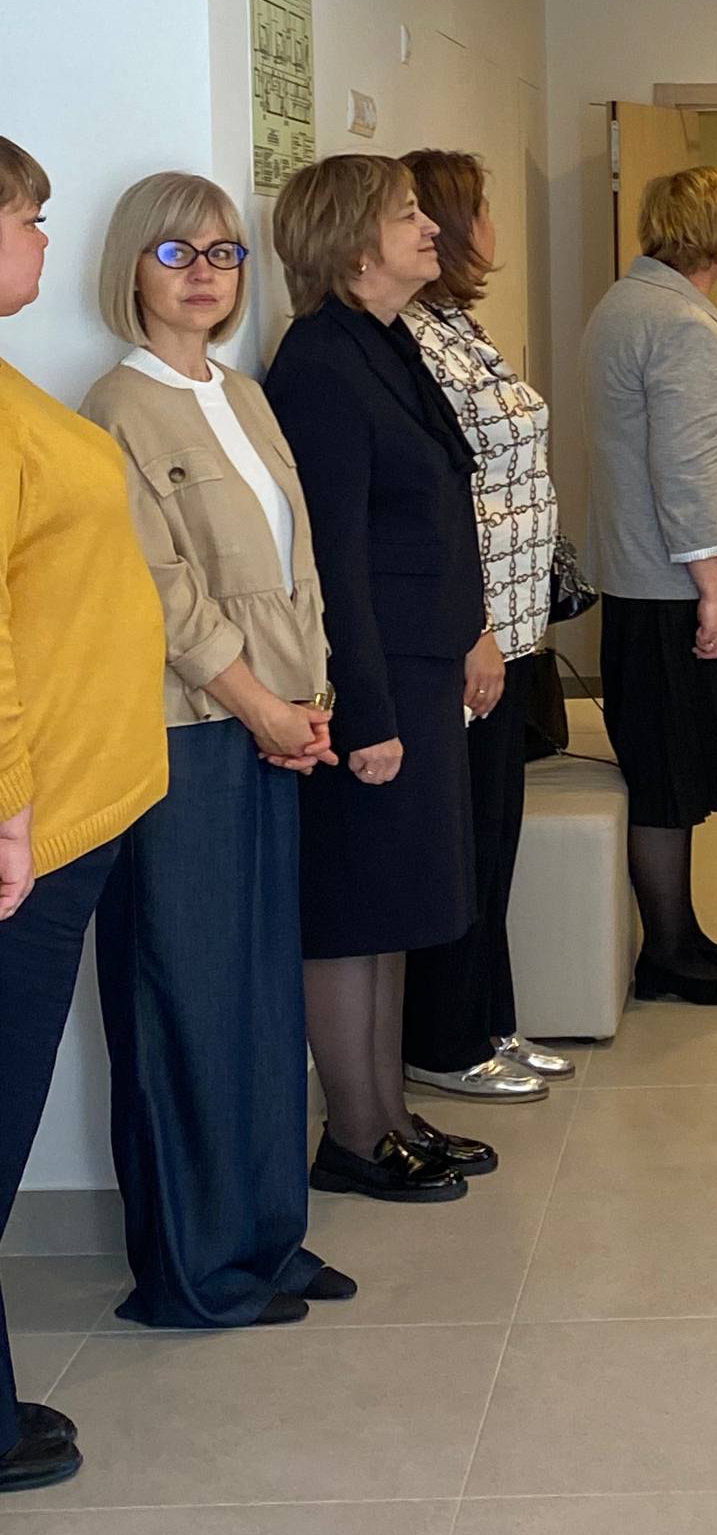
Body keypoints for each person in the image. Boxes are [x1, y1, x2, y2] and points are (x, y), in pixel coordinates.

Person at [83, 175, 354, 1326]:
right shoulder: (118, 407)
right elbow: (166, 597)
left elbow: (297, 566)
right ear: (131, 266)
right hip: (188, 736)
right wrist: (260, 706)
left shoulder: (242, 393)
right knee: (184, 996)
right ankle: (193, 1271)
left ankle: (266, 1237)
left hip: (273, 727)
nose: (204, 272)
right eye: (176, 251)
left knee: (257, 994)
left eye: (225, 252)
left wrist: (312, 701)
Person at [266, 154, 493, 1201]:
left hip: (418, 663)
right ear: (354, 243)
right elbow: (334, 558)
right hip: (375, 674)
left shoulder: (383, 341)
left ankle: (389, 1113)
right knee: (356, 906)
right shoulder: (320, 362)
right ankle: (354, 1135)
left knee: (396, 901)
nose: (430, 228)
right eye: (407, 216)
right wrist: (363, 711)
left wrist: (468, 632)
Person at [0, 137, 168, 1493]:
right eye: (29, 216)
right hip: (28, 829)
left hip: (70, 807)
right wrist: (7, 811)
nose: (44, 240)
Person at [581, 164, 717, 1008]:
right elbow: (685, 466)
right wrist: (712, 587)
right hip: (678, 585)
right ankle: (667, 953)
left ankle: (681, 933)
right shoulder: (678, 324)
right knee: (670, 774)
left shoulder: (631, 304)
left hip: (646, 575)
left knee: (672, 768)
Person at [399, 149, 569, 1106]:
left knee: (496, 835)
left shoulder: (455, 325)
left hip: (513, 620)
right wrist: (475, 628)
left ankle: (493, 1018)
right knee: (464, 840)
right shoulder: (413, 340)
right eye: (483, 208)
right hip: (476, 633)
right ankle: (447, 1038)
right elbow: (442, 499)